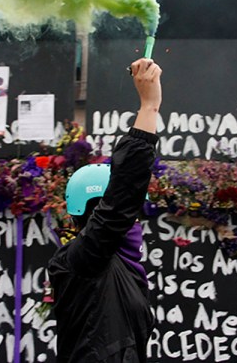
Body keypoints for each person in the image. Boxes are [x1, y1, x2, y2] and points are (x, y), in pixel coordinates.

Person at [48, 58, 162, 362]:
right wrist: (149, 107)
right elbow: (121, 202)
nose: (135, 219)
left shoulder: (119, 266)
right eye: (131, 213)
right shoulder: (84, 260)